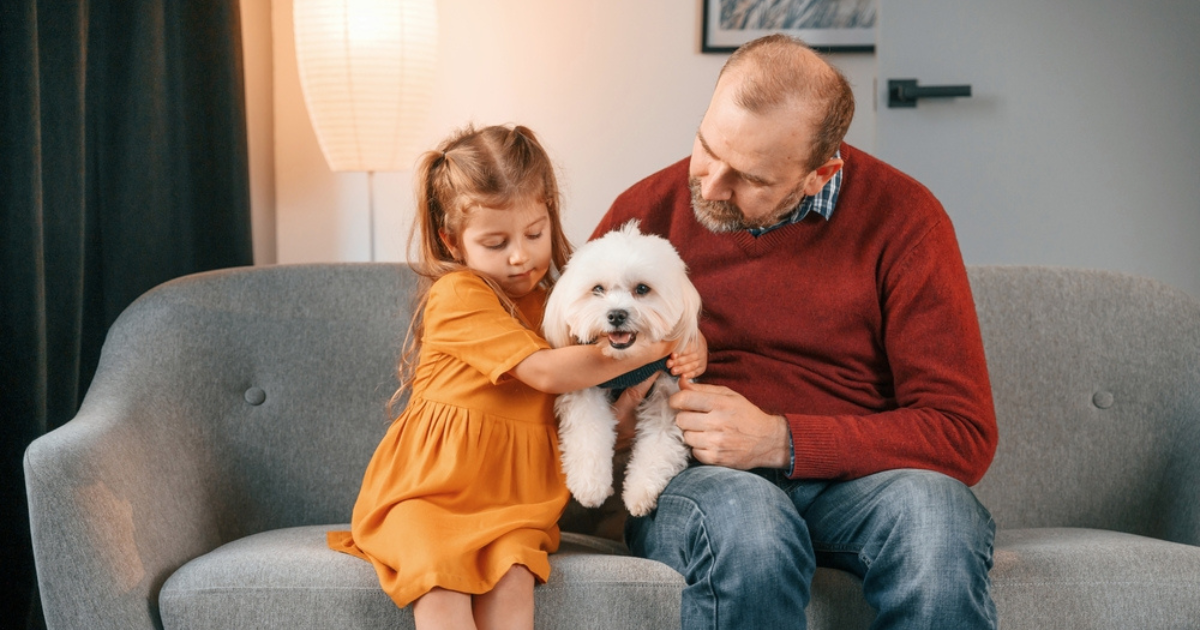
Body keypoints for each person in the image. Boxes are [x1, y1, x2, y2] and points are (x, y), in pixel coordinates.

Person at [593, 35, 1000, 628]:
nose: (710, 187)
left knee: (935, 517)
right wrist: (625, 406)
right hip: (704, 484)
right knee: (751, 526)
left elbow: (960, 431)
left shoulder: (908, 221)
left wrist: (781, 440)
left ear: (819, 172)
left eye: (752, 179)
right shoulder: (646, 211)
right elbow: (571, 367)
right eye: (707, 148)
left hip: (858, 489)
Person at [327, 124, 704, 630]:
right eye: (495, 242)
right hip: (430, 495)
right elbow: (547, 374)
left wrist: (683, 341)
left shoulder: (565, 303)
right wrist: (663, 341)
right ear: (452, 241)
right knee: (440, 582)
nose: (520, 256)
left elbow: (584, 405)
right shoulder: (459, 294)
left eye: (533, 234)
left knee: (514, 579)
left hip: (515, 504)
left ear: (550, 214)